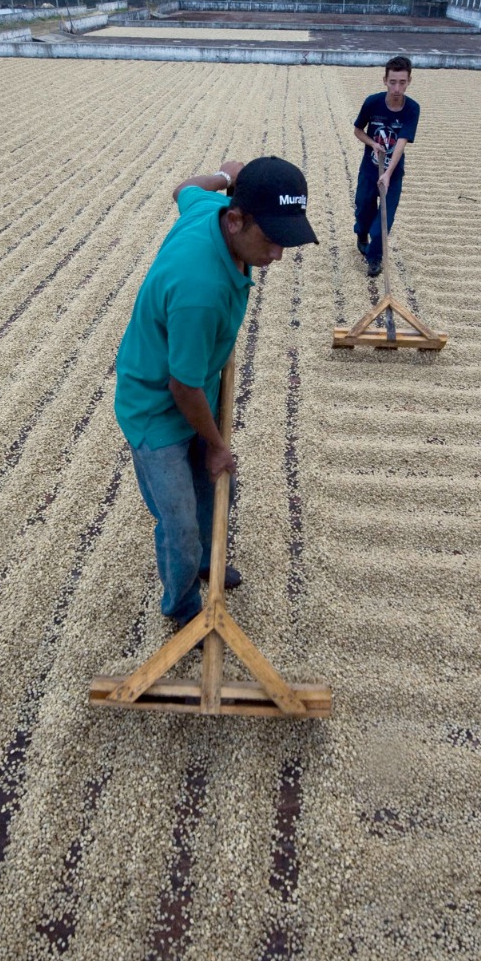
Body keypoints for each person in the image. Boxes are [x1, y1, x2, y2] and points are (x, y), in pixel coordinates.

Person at [114, 156, 318, 627]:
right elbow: (182, 386)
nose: (277, 255)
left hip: (193, 382)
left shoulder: (209, 208)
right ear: (236, 220)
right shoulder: (200, 290)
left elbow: (183, 188)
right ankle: (183, 606)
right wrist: (216, 444)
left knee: (215, 489)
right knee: (180, 522)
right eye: (271, 239)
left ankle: (210, 561)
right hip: (156, 408)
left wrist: (226, 176)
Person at [352, 55, 421, 278]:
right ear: (385, 80)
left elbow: (401, 142)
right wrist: (373, 144)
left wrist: (389, 173)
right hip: (370, 168)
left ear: (409, 81)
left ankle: (374, 258)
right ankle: (361, 234)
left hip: (393, 172)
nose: (397, 88)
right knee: (363, 207)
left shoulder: (412, 108)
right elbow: (358, 131)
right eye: (393, 82)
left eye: (402, 82)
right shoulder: (372, 103)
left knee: (385, 218)